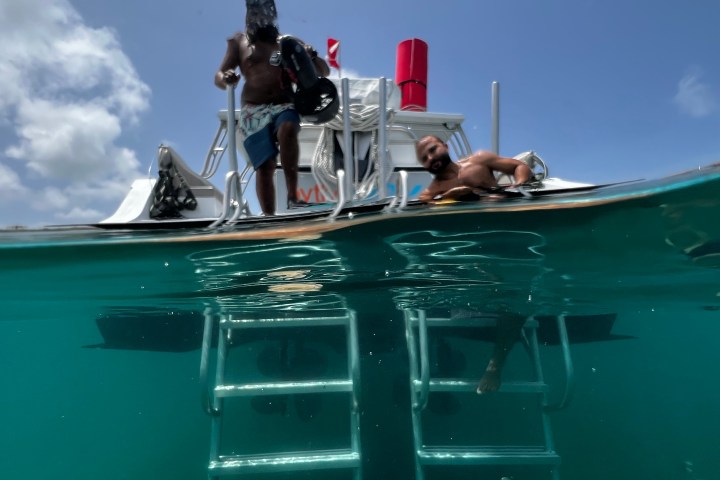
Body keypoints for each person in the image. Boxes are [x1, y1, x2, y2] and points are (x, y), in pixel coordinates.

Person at [214, 0, 330, 215]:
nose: (261, 16)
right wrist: (226, 78)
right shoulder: (238, 41)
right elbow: (219, 76)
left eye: (265, 11)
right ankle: (269, 216)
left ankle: (293, 197)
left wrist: (312, 55)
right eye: (256, 11)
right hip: (253, 110)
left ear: (272, 13)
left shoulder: (286, 41)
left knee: (287, 127)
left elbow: (324, 71)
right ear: (248, 14)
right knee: (265, 165)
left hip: (283, 104)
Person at [415, 135, 534, 203]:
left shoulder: (479, 160)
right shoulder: (434, 189)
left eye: (432, 150)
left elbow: (520, 166)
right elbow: (426, 203)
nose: (430, 158)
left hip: (498, 213)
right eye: (424, 159)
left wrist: (519, 185)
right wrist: (448, 197)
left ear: (446, 147)